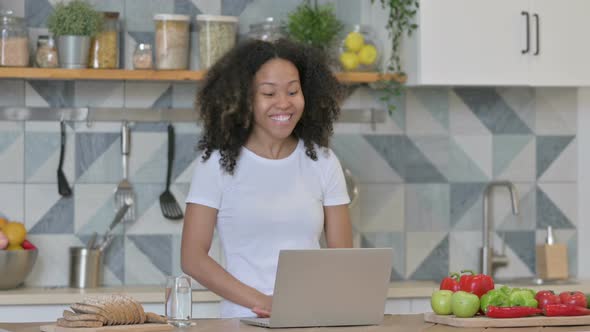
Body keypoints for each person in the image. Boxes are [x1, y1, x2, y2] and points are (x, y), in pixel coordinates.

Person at [181, 38, 353, 319]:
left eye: (293, 91)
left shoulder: (323, 162)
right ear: (244, 99)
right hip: (242, 321)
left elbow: (343, 259)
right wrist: (264, 302)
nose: (283, 103)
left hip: (311, 319)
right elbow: (192, 258)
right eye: (269, 93)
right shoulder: (215, 164)